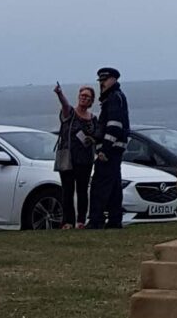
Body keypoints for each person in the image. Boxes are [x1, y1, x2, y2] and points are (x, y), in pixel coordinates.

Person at [88, 66, 130, 229]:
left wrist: (104, 149)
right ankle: (114, 219)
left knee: (100, 185)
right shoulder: (115, 97)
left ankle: (96, 220)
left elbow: (114, 126)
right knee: (113, 187)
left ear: (113, 80)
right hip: (115, 149)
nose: (102, 84)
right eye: (101, 81)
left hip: (110, 151)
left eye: (104, 80)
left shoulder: (113, 98)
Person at [52, 82, 96, 230]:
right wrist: (59, 94)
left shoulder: (93, 119)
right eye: (82, 95)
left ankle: (81, 221)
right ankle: (67, 221)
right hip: (68, 158)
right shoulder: (70, 113)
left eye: (87, 97)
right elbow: (65, 106)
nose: (84, 98)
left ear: (91, 101)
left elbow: (97, 136)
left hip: (85, 160)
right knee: (67, 191)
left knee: (82, 191)